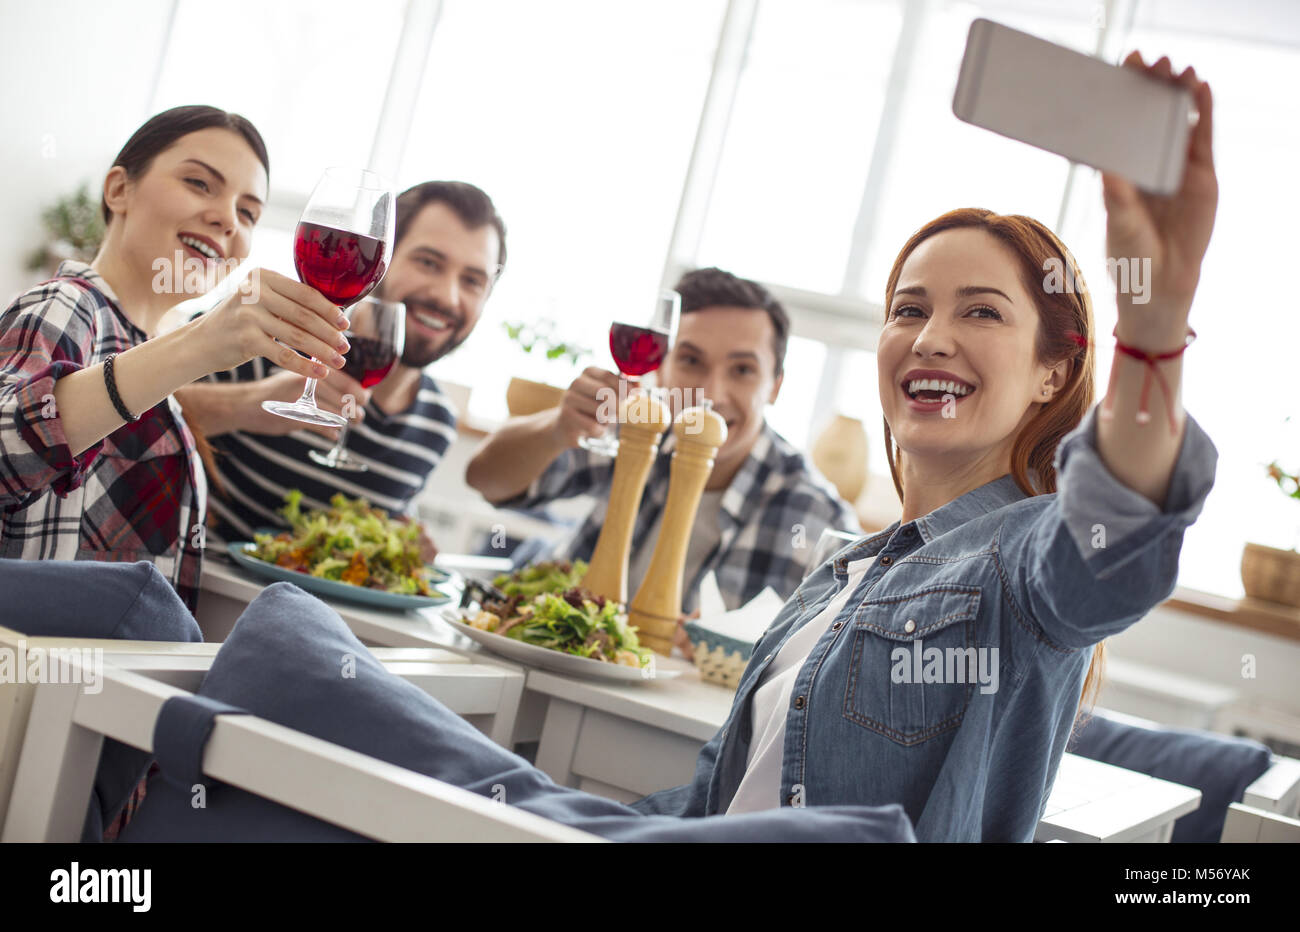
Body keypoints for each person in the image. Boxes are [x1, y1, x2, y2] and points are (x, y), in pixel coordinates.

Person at [323, 51, 1216, 842]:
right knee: (326, 676)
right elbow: (722, 802)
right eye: (910, 309)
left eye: (980, 311)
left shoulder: (1027, 561)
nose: (931, 337)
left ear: (1053, 376)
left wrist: (1154, 315)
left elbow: (1119, 537)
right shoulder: (846, 570)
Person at [0, 105, 350, 610]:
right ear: (119, 189)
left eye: (248, 212)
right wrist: (200, 345)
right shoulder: (69, 306)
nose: (227, 218)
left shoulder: (143, 345)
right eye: (199, 183)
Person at [466, 267, 860, 615]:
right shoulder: (635, 426)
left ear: (775, 386)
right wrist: (558, 427)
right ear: (661, 369)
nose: (711, 394)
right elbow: (486, 479)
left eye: (742, 370)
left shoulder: (820, 518)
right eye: (691, 361)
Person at [176, 181, 506, 544]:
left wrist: (397, 544)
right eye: (428, 262)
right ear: (381, 259)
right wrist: (248, 404)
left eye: (473, 281)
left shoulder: (437, 426)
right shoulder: (267, 332)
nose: (447, 295)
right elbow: (131, 413)